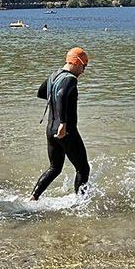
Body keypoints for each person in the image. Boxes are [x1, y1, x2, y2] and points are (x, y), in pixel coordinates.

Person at [30, 47, 91, 200]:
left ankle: (33, 197)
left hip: (50, 130)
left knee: (55, 168)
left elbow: (41, 92)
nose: (83, 71)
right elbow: (62, 94)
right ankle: (80, 203)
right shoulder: (70, 79)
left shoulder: (53, 75)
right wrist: (63, 123)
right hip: (65, 131)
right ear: (77, 62)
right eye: (84, 66)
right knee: (83, 169)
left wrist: (56, 106)